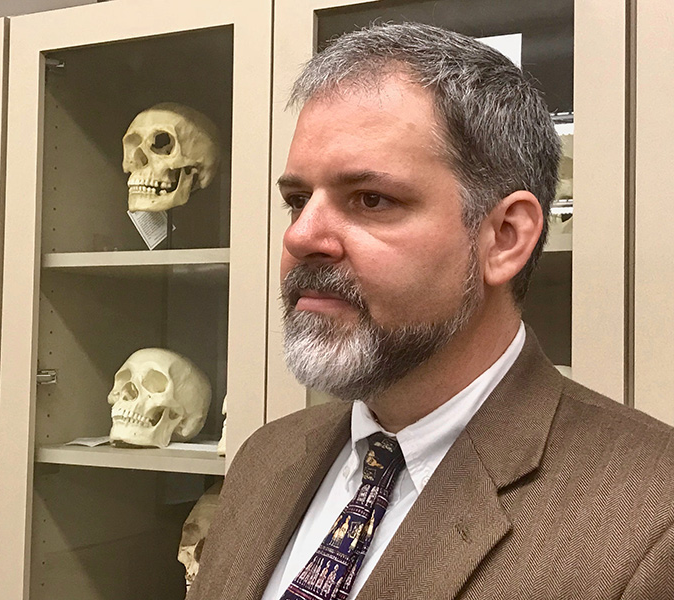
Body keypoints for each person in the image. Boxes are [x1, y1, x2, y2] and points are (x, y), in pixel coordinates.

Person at [190, 21, 674, 600]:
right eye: (298, 201)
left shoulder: (651, 516)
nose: (300, 237)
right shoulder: (267, 458)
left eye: (371, 199)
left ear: (504, 237)